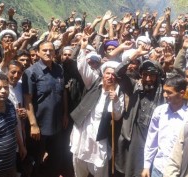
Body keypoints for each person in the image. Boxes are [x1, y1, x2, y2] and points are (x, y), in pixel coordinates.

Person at [70, 43, 124, 176]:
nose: (110, 77)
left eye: (113, 75)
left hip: (99, 139)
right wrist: (82, 47)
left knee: (100, 168)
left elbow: (117, 116)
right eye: (108, 73)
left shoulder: (118, 92)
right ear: (103, 74)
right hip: (82, 134)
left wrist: (116, 100)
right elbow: (83, 67)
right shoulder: (94, 82)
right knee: (79, 166)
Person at [114, 45, 164, 177]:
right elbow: (117, 73)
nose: (148, 79)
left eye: (152, 75)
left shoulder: (164, 92)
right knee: (130, 171)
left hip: (152, 139)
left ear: (157, 76)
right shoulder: (134, 86)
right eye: (145, 75)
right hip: (133, 137)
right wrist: (135, 55)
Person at [22, 41, 64, 177]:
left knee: (54, 157)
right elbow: (28, 100)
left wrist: (65, 115)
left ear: (54, 52)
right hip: (40, 125)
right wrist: (33, 125)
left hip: (57, 123)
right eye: (44, 50)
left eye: (50, 50)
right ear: (38, 52)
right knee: (36, 159)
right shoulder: (31, 72)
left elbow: (64, 93)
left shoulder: (59, 69)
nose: (48, 53)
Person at [141, 75, 188, 177]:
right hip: (158, 168)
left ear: (181, 93)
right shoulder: (159, 111)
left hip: (177, 171)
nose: (165, 95)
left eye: (169, 92)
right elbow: (152, 139)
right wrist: (147, 165)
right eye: (164, 91)